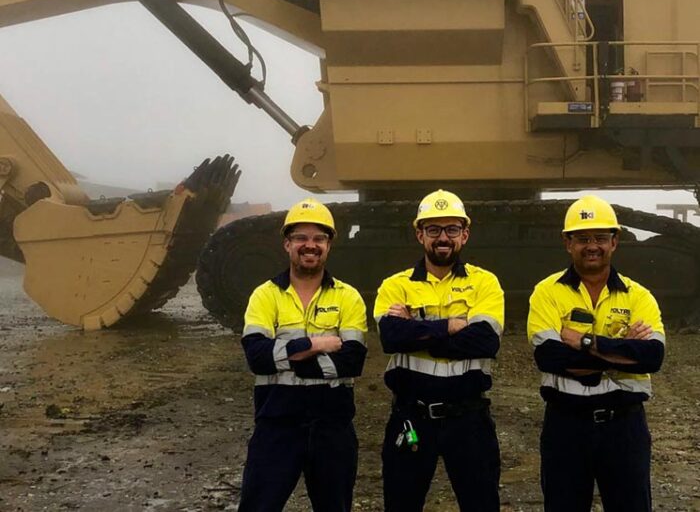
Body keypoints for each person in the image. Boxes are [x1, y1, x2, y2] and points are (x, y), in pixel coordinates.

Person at [527, 195, 665, 512]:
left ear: (614, 242)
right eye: (583, 238)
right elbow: (550, 358)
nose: (593, 246)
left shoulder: (638, 295)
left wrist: (585, 343)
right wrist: (621, 351)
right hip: (566, 426)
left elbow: (652, 357)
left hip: (624, 428)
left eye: (601, 238)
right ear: (568, 243)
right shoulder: (546, 292)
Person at [373, 189, 504, 512]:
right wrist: (450, 326)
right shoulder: (395, 285)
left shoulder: (485, 283)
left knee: (481, 505)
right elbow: (391, 338)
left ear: (465, 234)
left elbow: (485, 342)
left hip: (469, 419)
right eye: (433, 230)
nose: (442, 238)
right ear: (420, 234)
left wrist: (416, 327)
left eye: (451, 230)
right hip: (412, 417)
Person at [238, 198, 367, 512]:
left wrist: (287, 355)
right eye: (301, 238)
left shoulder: (348, 297)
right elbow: (257, 357)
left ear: (328, 245)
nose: (310, 245)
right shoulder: (265, 295)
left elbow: (352, 361)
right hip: (277, 426)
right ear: (287, 244)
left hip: (332, 427)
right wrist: (318, 344)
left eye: (318, 239)